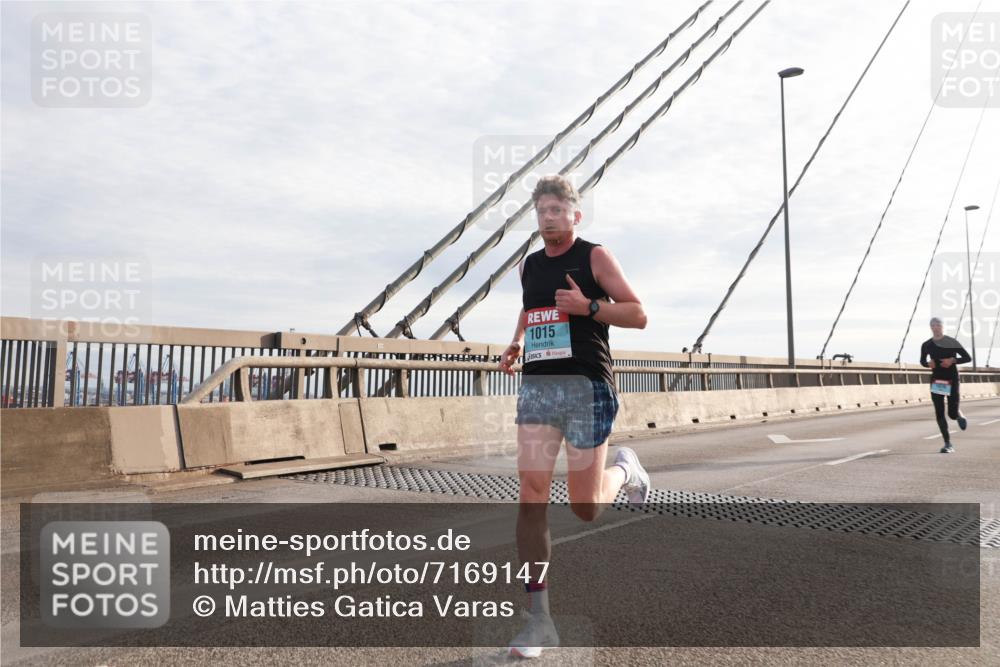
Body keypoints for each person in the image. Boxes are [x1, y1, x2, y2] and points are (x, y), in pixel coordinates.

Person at [497, 175, 650, 658]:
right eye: (541, 210)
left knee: (585, 507)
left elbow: (638, 314)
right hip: (540, 388)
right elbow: (532, 310)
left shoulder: (594, 257)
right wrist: (518, 341)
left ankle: (625, 468)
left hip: (587, 386)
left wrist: (589, 306)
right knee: (531, 492)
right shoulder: (529, 267)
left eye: (557, 210)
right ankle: (538, 620)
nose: (548, 217)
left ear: (574, 216)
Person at [920, 317, 971, 453]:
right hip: (937, 380)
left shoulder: (951, 342)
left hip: (952, 379)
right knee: (939, 412)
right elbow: (922, 361)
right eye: (933, 325)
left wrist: (952, 360)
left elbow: (967, 358)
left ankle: (958, 415)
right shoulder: (927, 345)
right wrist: (927, 364)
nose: (936, 327)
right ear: (930, 327)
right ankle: (948, 443)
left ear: (942, 327)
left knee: (952, 414)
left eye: (938, 325)